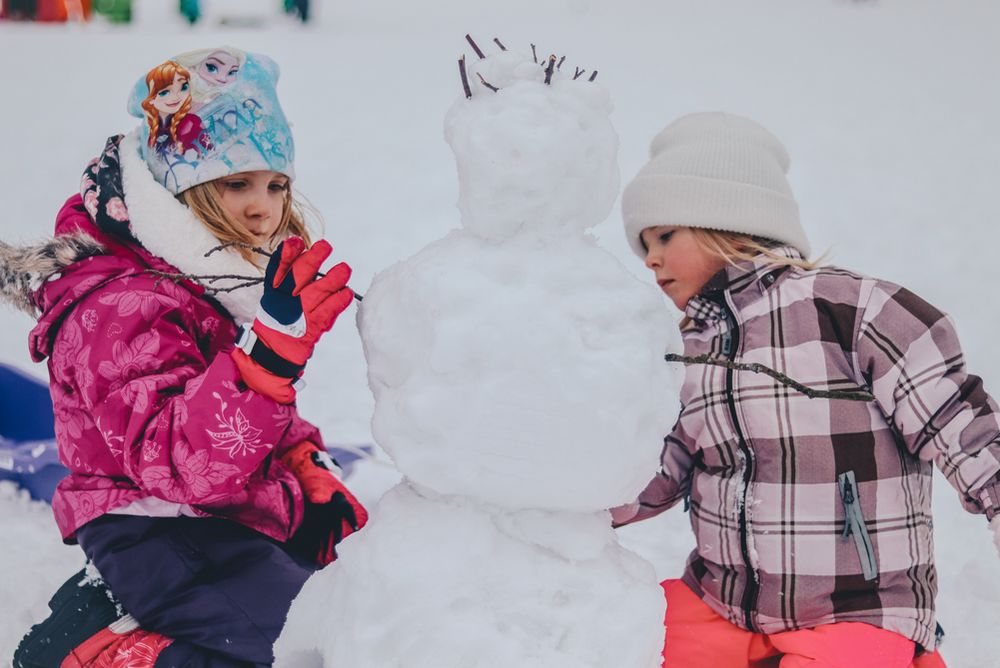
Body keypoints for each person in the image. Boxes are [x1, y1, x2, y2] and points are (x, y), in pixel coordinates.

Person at [8, 46, 367, 668]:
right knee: (304, 651)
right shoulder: (121, 307)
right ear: (182, 189)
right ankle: (107, 650)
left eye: (276, 184)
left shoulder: (208, 277)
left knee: (359, 605)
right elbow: (174, 466)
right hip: (157, 528)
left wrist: (302, 458)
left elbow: (246, 412)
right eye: (237, 183)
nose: (264, 207)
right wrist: (266, 364)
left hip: (233, 509)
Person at [614, 111, 1000, 667]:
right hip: (724, 603)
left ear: (723, 219)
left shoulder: (851, 310)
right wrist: (556, 502)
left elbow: (952, 414)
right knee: (627, 637)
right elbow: (654, 469)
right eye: (642, 245)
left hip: (857, 605)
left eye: (663, 236)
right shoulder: (683, 354)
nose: (649, 259)